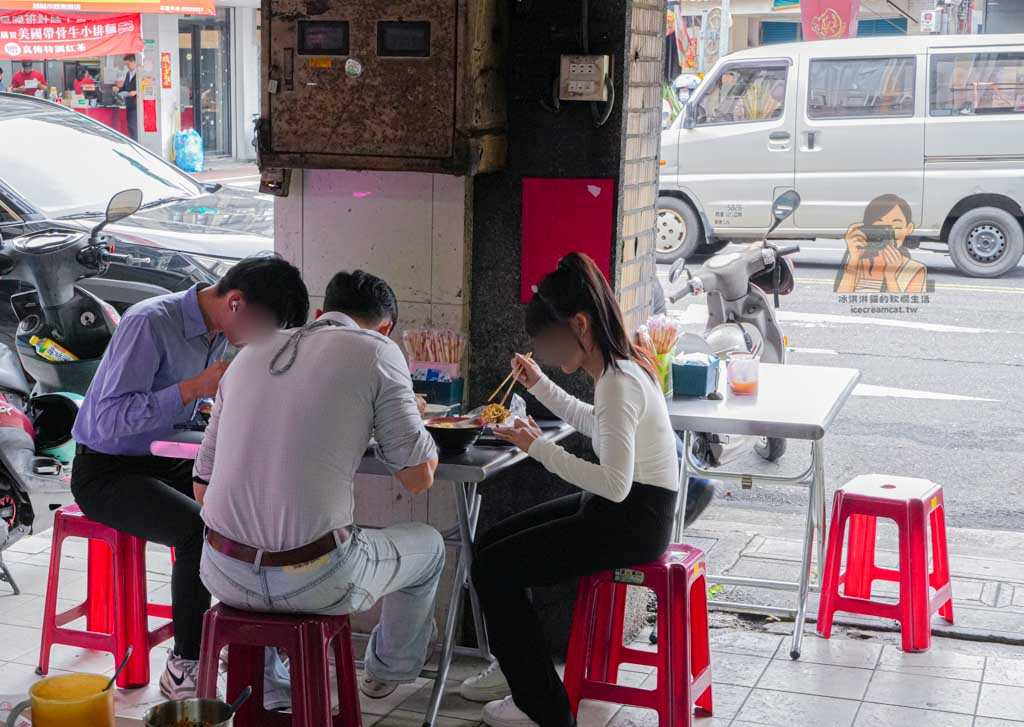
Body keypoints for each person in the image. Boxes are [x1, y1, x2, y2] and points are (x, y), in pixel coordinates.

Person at [194, 269, 443, 707]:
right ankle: (387, 672)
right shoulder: (378, 351)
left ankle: (271, 693)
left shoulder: (249, 354)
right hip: (316, 579)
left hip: (222, 572)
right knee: (430, 546)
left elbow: (202, 486)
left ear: (319, 313)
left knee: (271, 539)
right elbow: (418, 477)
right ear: (385, 328)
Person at [70, 256, 309, 700]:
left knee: (255, 511)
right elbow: (105, 421)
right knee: (196, 529)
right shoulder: (148, 323)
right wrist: (193, 387)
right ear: (236, 303)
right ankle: (185, 664)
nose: (258, 342)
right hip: (106, 468)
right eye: (262, 330)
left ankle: (261, 650)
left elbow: (189, 412)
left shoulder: (216, 330)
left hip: (167, 455)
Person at [460, 252, 680, 727]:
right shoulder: (619, 369)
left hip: (632, 520)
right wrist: (539, 385)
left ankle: (542, 706)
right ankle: (523, 676)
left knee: (494, 569)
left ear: (579, 324)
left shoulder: (620, 382)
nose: (554, 358)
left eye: (552, 346)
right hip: (626, 511)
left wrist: (536, 445)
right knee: (493, 544)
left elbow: (615, 485)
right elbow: (594, 423)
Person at [835, 193, 927, 294]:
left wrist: (890, 275)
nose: (887, 236)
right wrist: (853, 258)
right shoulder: (857, 261)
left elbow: (902, 305)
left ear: (908, 229)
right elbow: (842, 298)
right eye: (880, 228)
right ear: (867, 229)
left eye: (895, 227)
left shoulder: (915, 269)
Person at [114, 54, 139, 139]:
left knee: (134, 127)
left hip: (137, 106)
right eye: (126, 65)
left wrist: (136, 92)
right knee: (130, 127)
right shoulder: (128, 74)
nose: (127, 67)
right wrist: (118, 89)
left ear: (134, 62)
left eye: (128, 64)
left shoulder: (140, 73)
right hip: (129, 105)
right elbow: (125, 88)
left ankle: (137, 146)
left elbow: (147, 87)